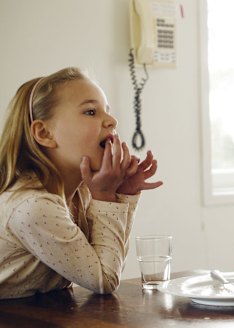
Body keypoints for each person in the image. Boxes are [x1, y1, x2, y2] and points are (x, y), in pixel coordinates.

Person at [0, 67, 163, 299]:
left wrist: (122, 193)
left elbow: (106, 263)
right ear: (45, 133)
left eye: (106, 111)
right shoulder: (33, 206)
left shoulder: (81, 193)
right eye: (90, 112)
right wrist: (106, 197)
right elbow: (104, 280)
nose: (112, 120)